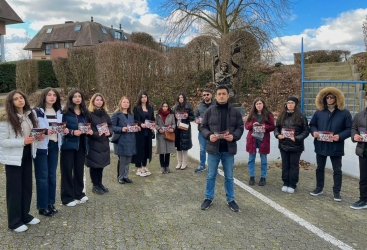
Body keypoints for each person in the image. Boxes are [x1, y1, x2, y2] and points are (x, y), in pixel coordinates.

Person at [0, 90, 42, 232]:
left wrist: (37, 138)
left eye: (21, 97)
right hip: (13, 158)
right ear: (11, 102)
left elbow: (29, 135)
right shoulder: (6, 118)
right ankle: (14, 221)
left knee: (26, 186)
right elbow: (3, 141)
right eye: (16, 99)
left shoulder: (28, 115)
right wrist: (22, 141)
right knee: (15, 190)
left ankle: (25, 215)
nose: (20, 100)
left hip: (27, 154)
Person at [200, 85, 244, 212]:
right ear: (215, 96)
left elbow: (240, 127)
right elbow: (202, 127)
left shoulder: (235, 112)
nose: (221, 96)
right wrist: (209, 135)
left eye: (224, 93)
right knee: (211, 175)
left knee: (229, 177)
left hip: (228, 150)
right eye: (219, 94)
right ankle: (208, 198)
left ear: (228, 95)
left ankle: (231, 199)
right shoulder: (209, 111)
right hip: (214, 149)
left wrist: (234, 136)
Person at [309, 87, 352, 201]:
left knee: (337, 170)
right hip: (321, 144)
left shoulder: (344, 113)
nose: (329, 99)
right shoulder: (319, 112)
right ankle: (319, 188)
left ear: (336, 98)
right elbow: (312, 125)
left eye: (331, 97)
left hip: (336, 145)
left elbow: (349, 129)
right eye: (327, 97)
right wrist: (314, 132)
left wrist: (340, 136)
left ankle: (336, 192)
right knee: (320, 168)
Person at [33, 88, 68, 217]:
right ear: (44, 96)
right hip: (41, 147)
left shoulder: (58, 112)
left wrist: (63, 131)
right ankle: (42, 206)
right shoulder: (36, 112)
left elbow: (60, 128)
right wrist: (45, 132)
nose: (52, 97)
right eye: (49, 95)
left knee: (52, 176)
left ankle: (51, 203)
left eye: (54, 95)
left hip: (54, 146)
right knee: (42, 177)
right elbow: (32, 131)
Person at [60, 89, 93, 207]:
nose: (77, 98)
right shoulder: (65, 113)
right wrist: (73, 132)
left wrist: (89, 131)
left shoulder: (85, 113)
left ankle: (78, 193)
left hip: (82, 145)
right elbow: (61, 129)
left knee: (79, 170)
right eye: (75, 96)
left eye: (79, 96)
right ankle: (67, 197)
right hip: (68, 145)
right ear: (71, 99)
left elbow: (90, 127)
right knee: (67, 171)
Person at [274, 97, 309, 194]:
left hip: (295, 146)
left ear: (295, 104)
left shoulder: (301, 117)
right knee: (285, 165)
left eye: (292, 103)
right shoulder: (282, 116)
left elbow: (306, 131)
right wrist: (278, 135)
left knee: (293, 165)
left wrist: (297, 138)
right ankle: (285, 183)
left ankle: (292, 184)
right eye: (288, 102)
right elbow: (276, 128)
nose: (290, 104)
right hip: (283, 145)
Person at [85, 93, 112, 194]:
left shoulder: (105, 113)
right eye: (97, 100)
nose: (99, 102)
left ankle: (100, 183)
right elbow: (88, 128)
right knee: (94, 165)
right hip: (93, 143)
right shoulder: (89, 114)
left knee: (101, 165)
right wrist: (96, 134)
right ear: (93, 101)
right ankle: (95, 185)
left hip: (104, 143)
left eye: (101, 100)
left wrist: (110, 131)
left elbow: (110, 125)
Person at [245, 97, 275, 186]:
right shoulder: (251, 114)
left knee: (264, 160)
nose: (258, 105)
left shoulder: (269, 114)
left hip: (263, 139)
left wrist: (264, 126)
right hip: (252, 138)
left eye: (260, 103)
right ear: (254, 105)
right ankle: (252, 177)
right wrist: (252, 125)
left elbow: (273, 126)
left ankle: (263, 177)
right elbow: (246, 126)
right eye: (257, 104)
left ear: (263, 104)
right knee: (251, 159)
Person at [111, 96, 138, 184]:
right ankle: (120, 177)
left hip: (130, 140)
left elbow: (132, 126)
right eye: (124, 102)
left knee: (128, 160)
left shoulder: (131, 115)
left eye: (127, 102)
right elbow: (112, 127)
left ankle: (126, 176)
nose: (126, 104)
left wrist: (136, 128)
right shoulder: (116, 114)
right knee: (122, 160)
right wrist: (121, 129)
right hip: (121, 140)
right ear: (120, 103)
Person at [132, 91, 155, 177]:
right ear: (139, 98)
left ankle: (144, 166)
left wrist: (153, 125)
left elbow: (152, 119)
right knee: (139, 149)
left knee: (146, 149)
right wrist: (140, 124)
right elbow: (133, 119)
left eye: (145, 96)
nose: (144, 98)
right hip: (139, 132)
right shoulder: (136, 108)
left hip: (148, 132)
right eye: (142, 97)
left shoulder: (150, 108)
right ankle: (139, 168)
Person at [172, 92, 195, 170]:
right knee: (178, 146)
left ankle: (184, 163)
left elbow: (193, 117)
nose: (180, 99)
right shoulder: (174, 107)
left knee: (185, 146)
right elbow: (171, 117)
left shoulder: (188, 107)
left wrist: (188, 116)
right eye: (179, 97)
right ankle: (179, 162)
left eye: (182, 97)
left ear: (184, 98)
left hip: (185, 128)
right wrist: (174, 117)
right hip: (177, 129)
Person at [194, 89, 215, 173]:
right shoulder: (200, 106)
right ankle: (202, 165)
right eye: (204, 95)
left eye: (207, 94)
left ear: (211, 95)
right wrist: (196, 120)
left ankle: (212, 167)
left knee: (212, 150)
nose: (206, 96)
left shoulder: (216, 105)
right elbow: (195, 116)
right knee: (202, 150)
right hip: (202, 131)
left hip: (212, 132)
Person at [350, 108, 367, 209]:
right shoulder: (359, 115)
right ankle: (363, 199)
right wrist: (354, 135)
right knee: (364, 177)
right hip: (364, 151)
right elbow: (353, 128)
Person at [155, 101, 176, 174]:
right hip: (161, 135)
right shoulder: (158, 115)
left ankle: (167, 166)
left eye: (166, 106)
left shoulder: (171, 115)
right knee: (161, 151)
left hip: (169, 134)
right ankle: (162, 167)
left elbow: (174, 124)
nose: (165, 108)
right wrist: (158, 129)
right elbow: (155, 124)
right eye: (163, 106)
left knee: (168, 151)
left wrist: (172, 129)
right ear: (161, 107)